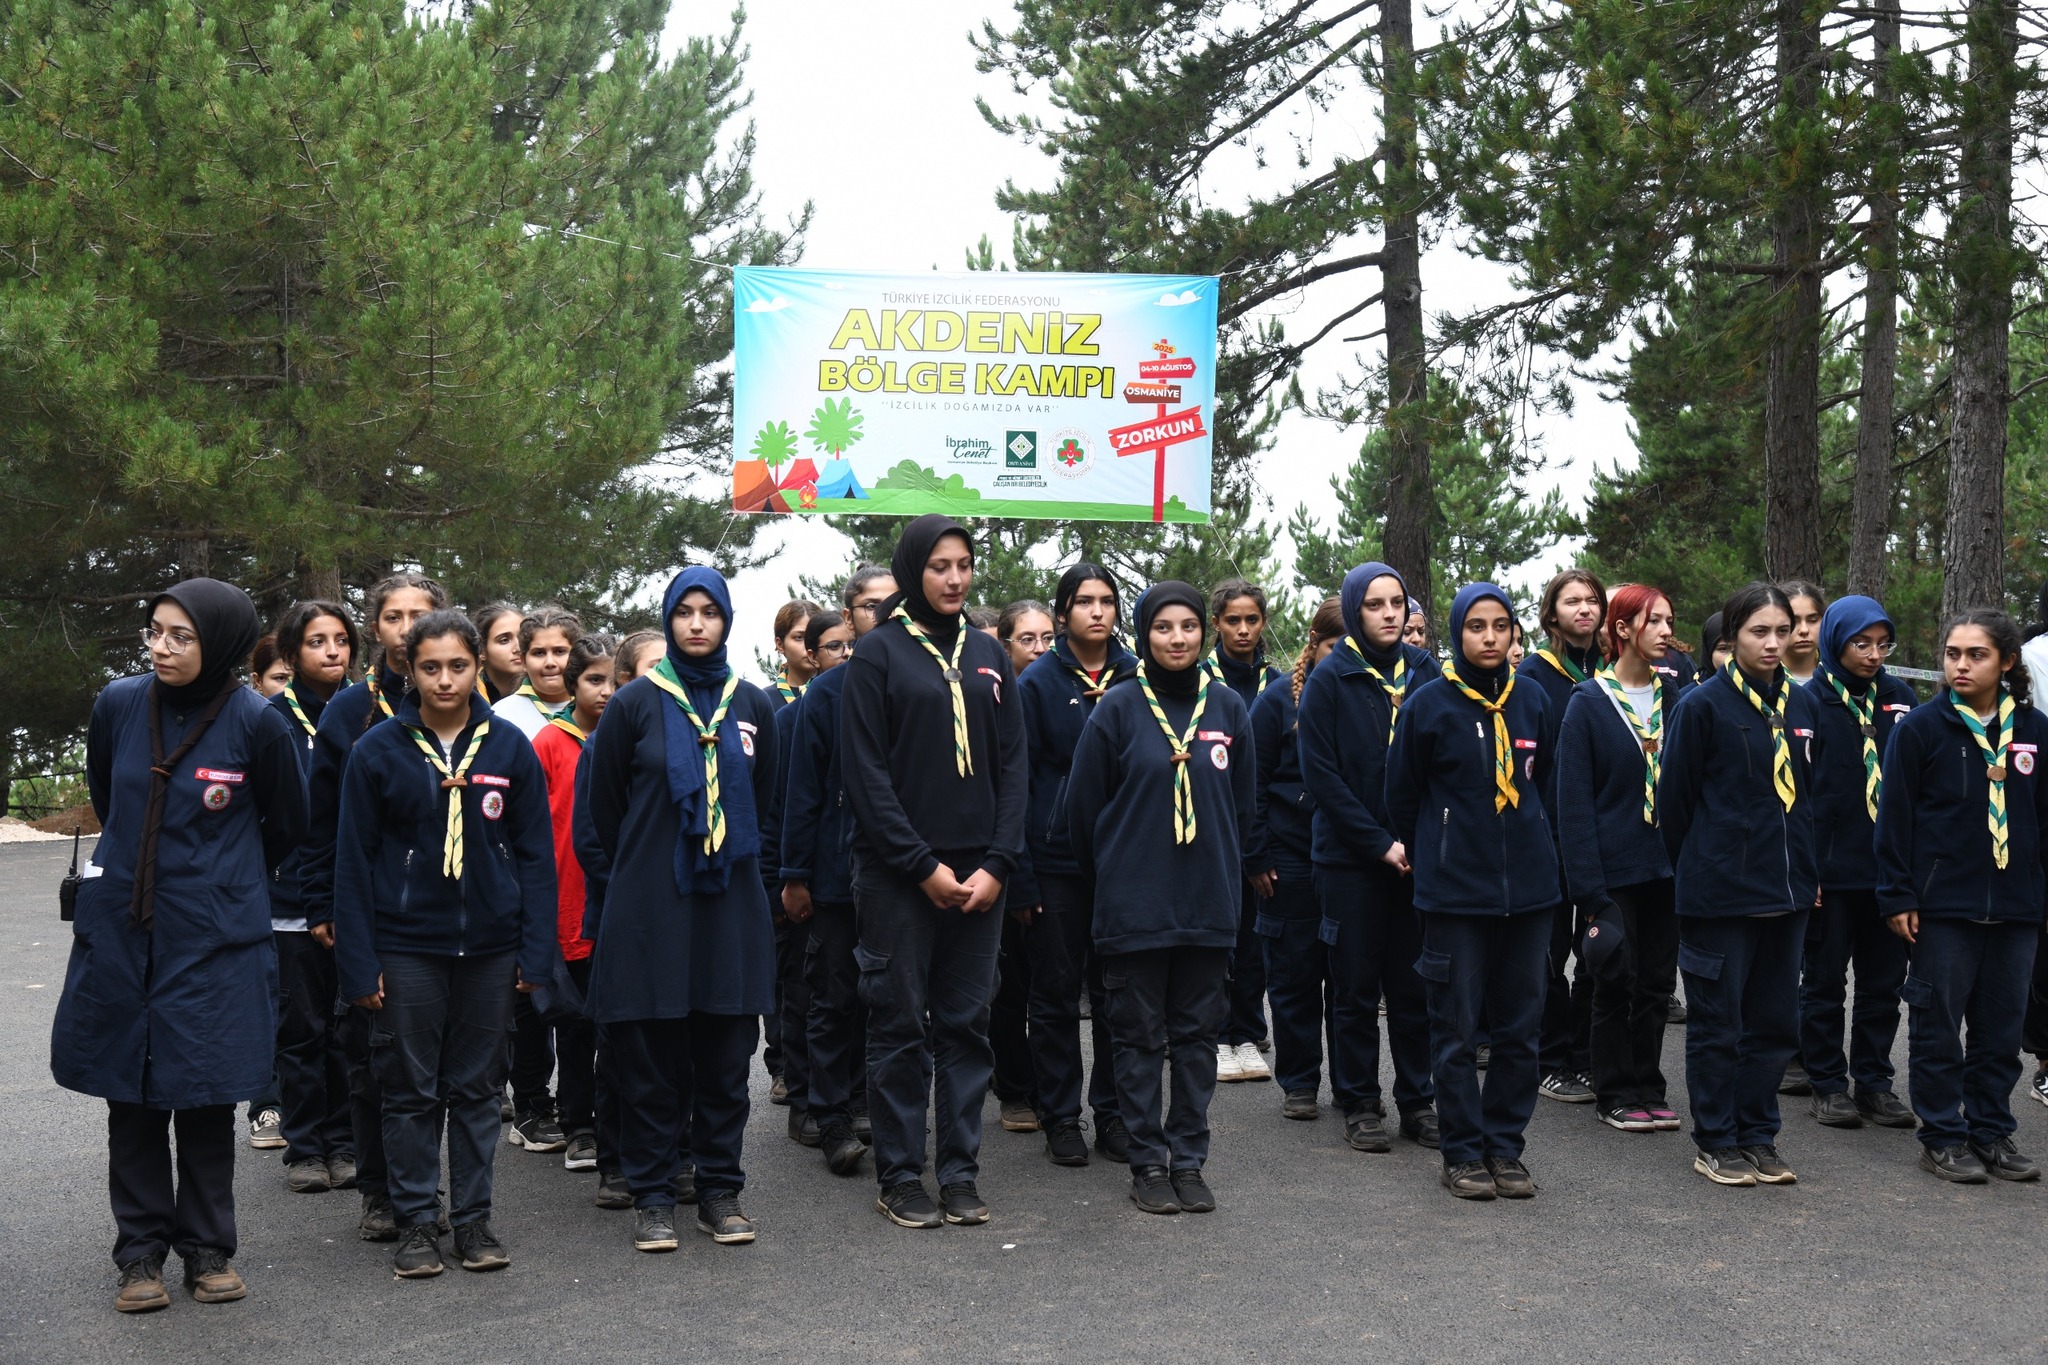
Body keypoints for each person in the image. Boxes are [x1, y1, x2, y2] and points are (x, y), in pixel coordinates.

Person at [53, 579, 307, 1313]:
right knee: (129, 1093)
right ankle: (138, 1255)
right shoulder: (119, 703)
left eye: (181, 636)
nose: (160, 647)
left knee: (202, 1090)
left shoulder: (257, 721)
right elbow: (113, 795)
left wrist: (221, 880)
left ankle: (207, 1248)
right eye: (155, 631)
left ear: (220, 642)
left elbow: (288, 821)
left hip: (214, 936)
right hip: (123, 929)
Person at [334, 610, 554, 1278]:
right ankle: (416, 1222)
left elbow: (537, 857)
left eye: (458, 665)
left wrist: (534, 952)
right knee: (409, 1090)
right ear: (408, 669)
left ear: (478, 667)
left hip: (490, 948)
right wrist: (359, 962)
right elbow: (353, 862)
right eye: (430, 666)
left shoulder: (508, 746)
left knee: (479, 1088)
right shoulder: (378, 750)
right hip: (406, 947)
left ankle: (474, 1219)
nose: (445, 679)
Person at [841, 515, 1027, 1229]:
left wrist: (998, 865)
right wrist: (921, 865)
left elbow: (1013, 768)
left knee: (965, 1025)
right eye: (940, 565)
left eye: (964, 564)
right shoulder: (877, 655)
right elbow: (865, 775)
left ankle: (958, 1171)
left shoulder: (988, 652)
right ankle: (901, 1175)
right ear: (914, 568)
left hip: (980, 878)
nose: (954, 578)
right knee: (898, 1026)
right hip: (900, 876)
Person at [583, 568, 778, 1250]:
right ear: (668, 621)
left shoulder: (750, 701)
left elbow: (771, 799)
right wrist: (646, 868)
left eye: (710, 612)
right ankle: (655, 1196)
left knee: (726, 1062)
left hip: (730, 911)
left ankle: (721, 1192)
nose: (698, 624)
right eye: (685, 612)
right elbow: (604, 811)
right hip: (652, 910)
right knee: (650, 1065)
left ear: (727, 620)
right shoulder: (635, 703)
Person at [1066, 582, 1255, 1215]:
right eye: (1163, 628)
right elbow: (1081, 816)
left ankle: (1190, 1159)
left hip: (1207, 905)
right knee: (1139, 1040)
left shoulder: (1227, 708)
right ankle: (1147, 1161)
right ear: (1144, 636)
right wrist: (1122, 879)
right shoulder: (1116, 709)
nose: (1178, 638)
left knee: (1197, 1039)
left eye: (1189, 627)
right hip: (1135, 907)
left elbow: (1243, 810)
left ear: (1205, 634)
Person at [1389, 583, 1561, 1200]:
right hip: (1455, 895)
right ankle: (1462, 1151)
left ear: (1515, 633)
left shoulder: (1535, 700)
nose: (1490, 637)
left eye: (1501, 626)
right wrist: (1439, 852)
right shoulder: (1428, 704)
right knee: (1456, 1027)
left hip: (1531, 895)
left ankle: (1505, 1147)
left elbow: (1552, 786)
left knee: (1520, 1027)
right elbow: (1402, 795)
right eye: (1476, 627)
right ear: (1456, 634)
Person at [299, 572, 448, 1241]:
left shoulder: (466, 708)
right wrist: (320, 903)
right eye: (393, 615)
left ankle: (424, 1185)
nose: (406, 626)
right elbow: (319, 821)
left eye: (421, 614)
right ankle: (379, 1190)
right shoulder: (348, 712)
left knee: (433, 1060)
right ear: (377, 627)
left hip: (443, 911)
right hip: (366, 905)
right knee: (367, 1053)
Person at [1878, 610, 2048, 1184]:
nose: (1961, 665)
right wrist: (1898, 894)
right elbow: (1893, 820)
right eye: (1952, 653)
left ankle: (1992, 1131)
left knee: (2001, 1032)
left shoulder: (2035, 731)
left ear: (2006, 662)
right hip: (1941, 907)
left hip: (2016, 908)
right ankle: (1943, 1136)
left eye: (1976, 654)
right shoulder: (1921, 729)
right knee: (1938, 1026)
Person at [1660, 582, 1818, 1187]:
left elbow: (1808, 801)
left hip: (1787, 898)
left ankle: (1759, 1132)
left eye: (1783, 631)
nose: (1775, 642)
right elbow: (1674, 806)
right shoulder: (1701, 707)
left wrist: (1804, 874)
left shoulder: (1800, 707)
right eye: (1761, 632)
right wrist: (1708, 866)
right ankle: (1717, 1139)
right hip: (1720, 896)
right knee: (1718, 1025)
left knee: (1775, 1025)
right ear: (1732, 639)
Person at [1298, 563, 1442, 1153]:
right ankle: (1359, 1100)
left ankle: (1417, 1099)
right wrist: (1378, 843)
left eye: (1397, 604)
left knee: (1414, 988)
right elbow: (1323, 778)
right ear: (1355, 611)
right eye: (1375, 605)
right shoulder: (1332, 679)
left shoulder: (1428, 674)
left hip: (1416, 859)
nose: (1389, 614)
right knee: (1354, 987)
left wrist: (1416, 841)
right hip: (1351, 859)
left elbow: (1441, 764)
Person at [1015, 564, 1137, 1164]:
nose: (1097, 611)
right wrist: (1024, 873)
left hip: (1123, 861)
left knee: (1117, 995)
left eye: (1107, 601)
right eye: (1084, 601)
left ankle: (1113, 1114)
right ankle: (1060, 1116)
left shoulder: (1139, 676)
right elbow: (1018, 780)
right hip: (1057, 861)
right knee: (1056, 995)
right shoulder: (1036, 683)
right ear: (1062, 613)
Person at [1556, 584, 1685, 1134]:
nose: (1664, 631)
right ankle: (1613, 1089)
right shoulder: (1588, 701)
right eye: (1653, 621)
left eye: (1669, 621)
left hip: (1667, 870)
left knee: (1657, 983)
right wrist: (1590, 892)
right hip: (1614, 874)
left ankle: (1648, 1084)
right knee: (1615, 980)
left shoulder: (1677, 698)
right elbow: (1574, 804)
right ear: (1623, 628)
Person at [782, 568, 896, 1179]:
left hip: (902, 872)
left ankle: (867, 1102)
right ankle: (827, 1116)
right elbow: (802, 792)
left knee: (889, 1000)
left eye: (889, 603)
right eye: (867, 606)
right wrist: (795, 873)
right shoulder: (824, 695)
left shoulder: (915, 680)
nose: (879, 613)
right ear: (849, 620)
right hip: (832, 872)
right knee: (833, 997)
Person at [1796, 596, 1915, 1130]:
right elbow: (1795, 794)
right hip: (1830, 871)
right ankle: (1826, 1081)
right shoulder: (1808, 701)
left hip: (1888, 872)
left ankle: (1874, 1081)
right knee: (1823, 982)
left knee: (1884, 984)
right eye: (1860, 644)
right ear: (1835, 641)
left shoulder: (1900, 699)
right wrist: (1807, 867)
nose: (1872, 655)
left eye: (1881, 644)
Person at [266, 600, 362, 1195]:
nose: (332, 651)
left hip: (354, 896)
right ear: (291, 652)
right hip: (287, 897)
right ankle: (305, 1147)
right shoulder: (269, 718)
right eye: (316, 641)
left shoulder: (367, 712)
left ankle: (347, 1141)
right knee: (301, 1027)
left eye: (341, 639)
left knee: (349, 1028)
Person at [1250, 596, 1344, 1120]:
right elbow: (1254, 783)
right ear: (1314, 642)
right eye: (1333, 645)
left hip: (1349, 856)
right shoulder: (1276, 701)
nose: (1340, 656)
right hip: (1289, 857)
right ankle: (1301, 1081)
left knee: (1348, 979)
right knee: (1293, 975)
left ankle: (1354, 1087)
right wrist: (1256, 853)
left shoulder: (1367, 691)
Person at [529, 635, 616, 1176]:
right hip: (567, 903)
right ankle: (578, 1124)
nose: (605, 692)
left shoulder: (628, 737)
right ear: (572, 683)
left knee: (619, 1025)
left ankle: (617, 1123)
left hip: (619, 904)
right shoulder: (547, 742)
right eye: (593, 680)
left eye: (613, 680)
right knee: (576, 1025)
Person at [1521, 568, 1607, 1107]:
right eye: (1571, 600)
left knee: (1598, 952)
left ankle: (1584, 1053)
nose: (1584, 608)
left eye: (1592, 600)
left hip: (1603, 834)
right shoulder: (1533, 676)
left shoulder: (1617, 674)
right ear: (1551, 613)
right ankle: (1549, 1058)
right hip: (1548, 835)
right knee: (1547, 956)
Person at [1206, 578, 1283, 1074]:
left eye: (1251, 620)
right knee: (1214, 935)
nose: (1242, 629)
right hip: (1208, 824)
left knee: (1253, 938)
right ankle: (1212, 1030)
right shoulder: (1198, 675)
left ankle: (1249, 1030)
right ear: (1216, 624)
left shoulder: (1276, 684)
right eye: (1232, 620)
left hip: (1256, 826)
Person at [988, 598, 1056, 1132]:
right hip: (1008, 862)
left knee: (1055, 987)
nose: (1038, 649)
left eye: (1047, 639)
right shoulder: (990, 698)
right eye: (1027, 640)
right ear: (1005, 645)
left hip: (1067, 862)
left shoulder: (1069, 691)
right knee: (1009, 987)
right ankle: (1013, 1089)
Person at [492, 605, 584, 740]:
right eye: (539, 653)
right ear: (523, 661)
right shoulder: (501, 716)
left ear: (577, 655)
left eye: (560, 651)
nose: (550, 663)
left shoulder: (596, 708)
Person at [768, 599, 822, 710]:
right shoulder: (764, 701)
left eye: (816, 636)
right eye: (799, 637)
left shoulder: (839, 691)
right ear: (780, 644)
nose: (809, 645)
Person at [470, 603, 525, 703]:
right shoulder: (468, 699)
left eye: (522, 637)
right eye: (504, 640)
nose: (518, 648)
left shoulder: (549, 692)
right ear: (482, 650)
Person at [1779, 582, 1826, 687]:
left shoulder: (1837, 674)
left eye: (1813, 620)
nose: (1804, 630)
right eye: (1794, 622)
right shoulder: (1763, 676)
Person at [1696, 612, 1731, 685]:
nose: (1732, 657)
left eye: (1739, 648)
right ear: (1708, 652)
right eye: (1723, 649)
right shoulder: (1689, 695)